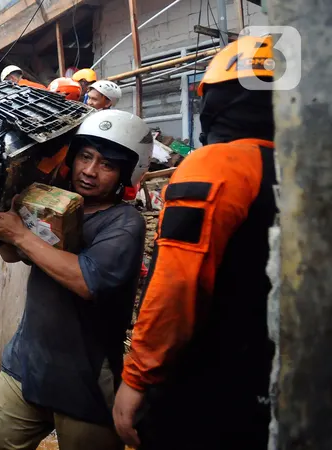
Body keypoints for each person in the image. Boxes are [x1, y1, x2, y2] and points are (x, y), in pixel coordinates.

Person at [113, 35, 277, 450]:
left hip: (212, 387)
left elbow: (177, 286)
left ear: (217, 99)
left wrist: (136, 377)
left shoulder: (219, 166)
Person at [0, 109, 151, 450]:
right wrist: (0, 230)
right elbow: (16, 256)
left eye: (107, 164)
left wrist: (21, 235)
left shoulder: (124, 223)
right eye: (85, 156)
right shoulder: (54, 201)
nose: (89, 171)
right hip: (26, 364)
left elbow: (89, 281)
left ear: (127, 173)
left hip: (84, 380)